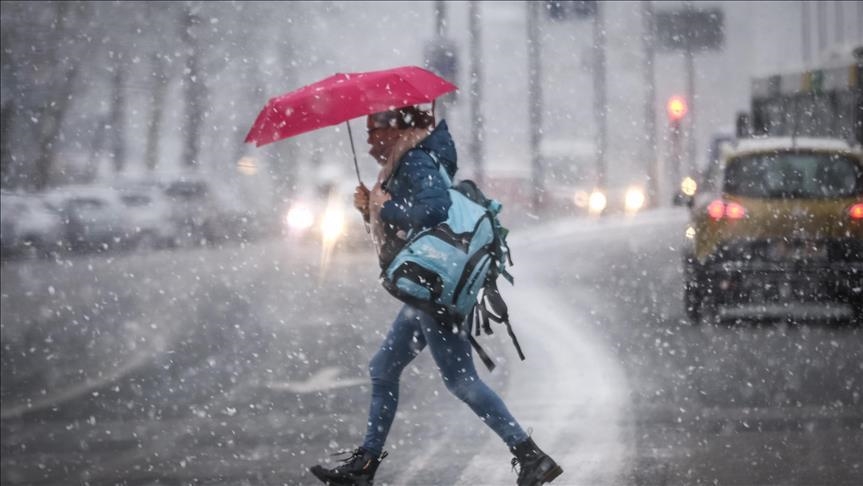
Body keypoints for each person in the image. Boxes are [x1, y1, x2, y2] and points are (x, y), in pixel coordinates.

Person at [309, 106, 562, 486]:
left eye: (373, 130)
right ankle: (365, 466)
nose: (368, 139)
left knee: (461, 381)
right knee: (383, 369)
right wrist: (372, 210)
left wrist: (384, 206)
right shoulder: (409, 160)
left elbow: (434, 209)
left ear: (394, 130)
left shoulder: (414, 160)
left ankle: (530, 455)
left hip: (435, 287)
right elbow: (410, 226)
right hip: (431, 286)